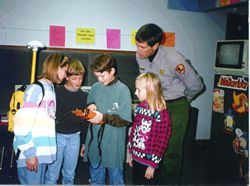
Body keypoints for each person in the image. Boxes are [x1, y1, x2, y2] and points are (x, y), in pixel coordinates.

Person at [135, 23, 204, 184]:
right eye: (137, 45)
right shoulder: (140, 55)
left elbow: (196, 86)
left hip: (175, 107)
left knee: (171, 152)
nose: (139, 51)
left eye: (143, 47)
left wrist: (182, 100)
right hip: (153, 106)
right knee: (152, 147)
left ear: (156, 45)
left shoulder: (174, 60)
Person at [13, 53, 70, 184]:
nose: (66, 76)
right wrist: (30, 153)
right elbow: (22, 124)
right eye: (65, 71)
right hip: (32, 154)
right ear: (55, 67)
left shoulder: (50, 88)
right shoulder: (36, 89)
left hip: (41, 154)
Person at [83, 54, 132, 185]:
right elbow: (89, 106)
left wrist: (103, 118)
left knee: (116, 180)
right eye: (97, 76)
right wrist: (90, 107)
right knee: (95, 180)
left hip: (113, 145)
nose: (99, 79)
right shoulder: (95, 88)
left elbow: (125, 120)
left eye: (102, 75)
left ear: (112, 71)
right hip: (95, 144)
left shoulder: (123, 90)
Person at [45, 58, 89, 184]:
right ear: (67, 77)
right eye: (74, 78)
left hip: (75, 138)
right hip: (57, 137)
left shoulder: (84, 97)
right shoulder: (56, 92)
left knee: (70, 174)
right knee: (53, 173)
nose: (78, 82)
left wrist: (84, 143)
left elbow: (85, 122)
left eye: (80, 78)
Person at [127, 72, 172, 185]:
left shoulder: (161, 114)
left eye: (139, 90)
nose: (135, 92)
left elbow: (162, 142)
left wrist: (152, 165)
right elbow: (134, 132)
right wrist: (131, 154)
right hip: (137, 157)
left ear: (150, 91)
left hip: (150, 162)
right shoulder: (139, 108)